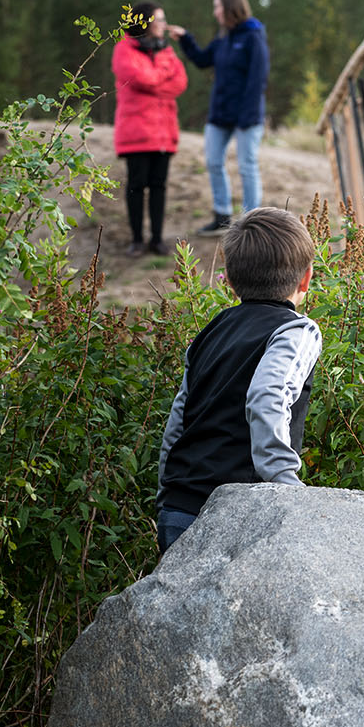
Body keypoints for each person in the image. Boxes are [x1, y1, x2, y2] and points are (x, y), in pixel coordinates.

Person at [156, 207, 322, 555]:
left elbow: (178, 419)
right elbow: (268, 397)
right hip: (240, 511)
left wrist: (166, 495)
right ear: (306, 279)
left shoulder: (214, 329)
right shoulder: (296, 331)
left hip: (179, 505)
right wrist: (288, 490)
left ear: (229, 280)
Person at [168, 0, 269, 236]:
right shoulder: (224, 38)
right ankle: (222, 217)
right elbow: (203, 60)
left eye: (217, 7)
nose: (215, 12)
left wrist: (247, 115)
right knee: (213, 162)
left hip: (247, 116)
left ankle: (252, 221)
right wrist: (185, 39)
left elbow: (258, 78)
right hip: (220, 115)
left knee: (247, 166)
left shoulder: (253, 36)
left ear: (230, 7)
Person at [112, 0, 187, 257]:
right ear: (144, 22)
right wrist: (160, 78)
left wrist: (155, 81)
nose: (164, 25)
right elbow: (138, 78)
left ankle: (156, 239)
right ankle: (136, 239)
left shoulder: (166, 50)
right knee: (136, 185)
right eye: (159, 19)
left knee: (159, 186)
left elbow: (180, 83)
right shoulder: (123, 49)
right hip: (136, 132)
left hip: (164, 133)